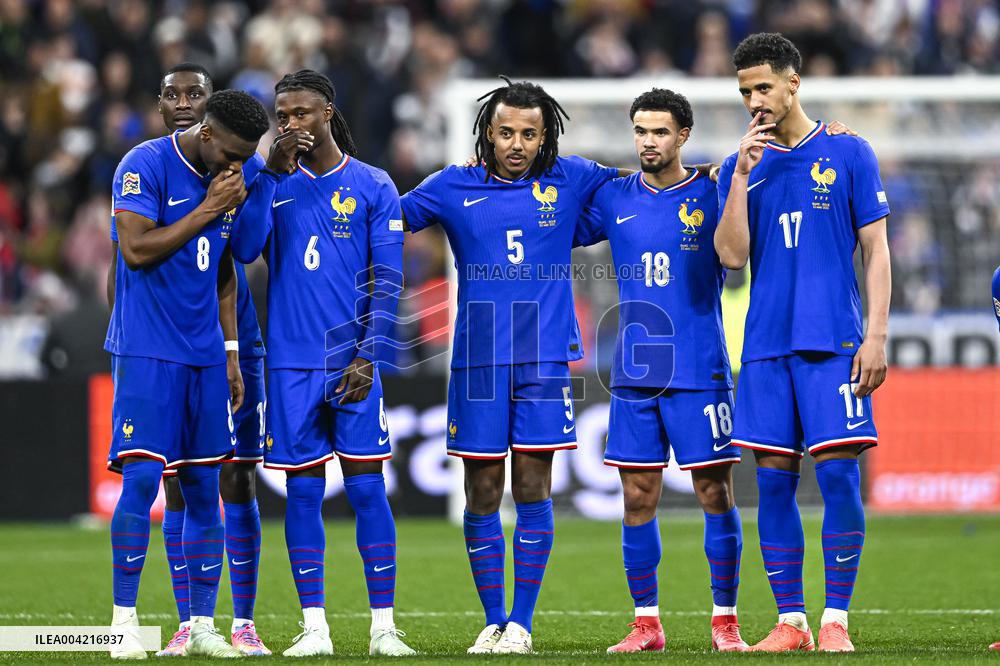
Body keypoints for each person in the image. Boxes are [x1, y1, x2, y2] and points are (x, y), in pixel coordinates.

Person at [399, 78, 624, 654]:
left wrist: (722, 171)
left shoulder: (572, 177)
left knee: (531, 484)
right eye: (506, 133)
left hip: (545, 360)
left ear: (545, 134)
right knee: (482, 487)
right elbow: (388, 218)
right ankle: (493, 618)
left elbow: (643, 185)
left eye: (529, 133)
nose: (517, 144)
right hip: (477, 358)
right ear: (487, 134)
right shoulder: (452, 185)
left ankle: (520, 624)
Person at [714, 33, 891, 652]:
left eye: (763, 87)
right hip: (765, 347)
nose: (754, 101)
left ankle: (836, 618)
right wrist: (738, 176)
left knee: (840, 480)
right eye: (744, 91)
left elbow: (876, 249)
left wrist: (876, 334)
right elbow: (731, 257)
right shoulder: (741, 165)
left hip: (832, 341)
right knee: (773, 484)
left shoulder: (847, 151)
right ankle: (791, 621)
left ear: (794, 83)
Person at [231, 69, 415, 658]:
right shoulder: (270, 180)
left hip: (351, 360)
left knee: (367, 489)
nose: (291, 125)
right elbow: (243, 249)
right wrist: (265, 173)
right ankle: (315, 627)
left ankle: (383, 626)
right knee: (302, 493)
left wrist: (368, 353)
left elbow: (387, 280)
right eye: (282, 116)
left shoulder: (372, 184)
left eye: (301, 113)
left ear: (328, 112)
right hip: (287, 364)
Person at [106, 62, 270, 658]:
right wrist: (206, 207)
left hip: (206, 354)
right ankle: (123, 624)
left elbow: (226, 268)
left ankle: (202, 624)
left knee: (206, 488)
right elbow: (136, 248)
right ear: (205, 132)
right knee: (145, 478)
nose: (235, 165)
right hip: (149, 348)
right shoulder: (143, 165)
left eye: (245, 157)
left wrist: (230, 353)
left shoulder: (236, 170)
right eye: (229, 152)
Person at [575, 88, 747, 653]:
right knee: (638, 495)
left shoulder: (714, 189)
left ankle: (726, 622)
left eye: (660, 132)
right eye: (641, 131)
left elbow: (737, 255)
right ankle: (646, 625)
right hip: (633, 371)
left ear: (683, 136)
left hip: (699, 368)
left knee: (713, 491)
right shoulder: (613, 196)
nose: (649, 141)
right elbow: (554, 213)